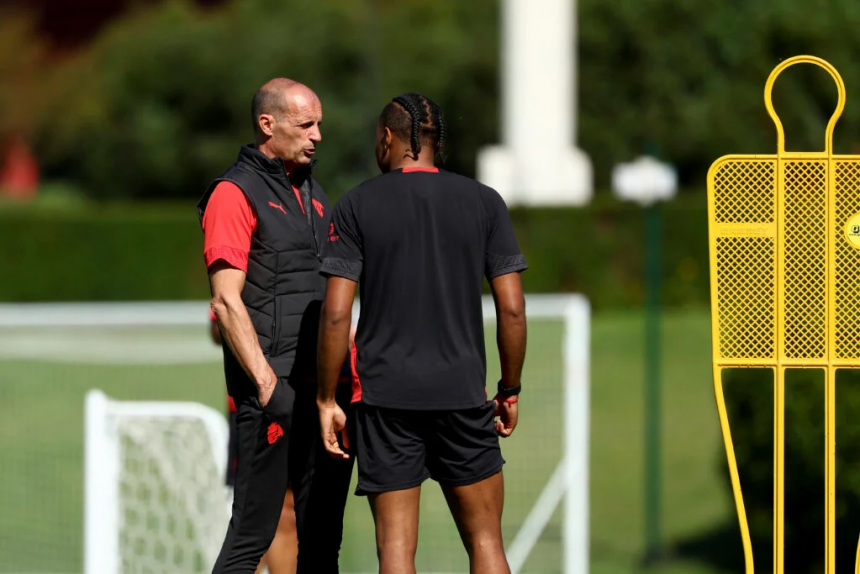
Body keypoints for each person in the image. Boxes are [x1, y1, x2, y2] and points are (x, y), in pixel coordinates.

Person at [316, 92, 528, 574]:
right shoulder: (484, 202)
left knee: (394, 548)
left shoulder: (356, 205)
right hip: (463, 394)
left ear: (387, 138)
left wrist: (328, 399)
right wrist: (509, 389)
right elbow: (512, 310)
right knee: (486, 543)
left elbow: (334, 316)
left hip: (384, 401)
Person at [198, 77, 332, 574]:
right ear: (267, 124)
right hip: (270, 394)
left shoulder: (314, 194)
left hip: (318, 393)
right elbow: (226, 303)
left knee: (319, 539)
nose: (318, 135)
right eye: (306, 124)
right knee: (251, 539)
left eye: (320, 123)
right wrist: (267, 385)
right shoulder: (233, 193)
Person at [209, 309, 295, 574]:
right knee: (252, 516)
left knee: (289, 515)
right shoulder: (241, 273)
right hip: (252, 406)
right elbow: (218, 322)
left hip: (295, 396)